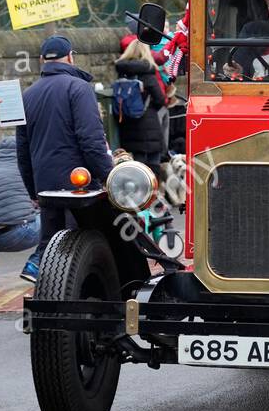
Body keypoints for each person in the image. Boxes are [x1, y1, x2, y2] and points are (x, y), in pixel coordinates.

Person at [16, 35, 115, 253]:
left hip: (46, 186)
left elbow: (22, 150)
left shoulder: (28, 95)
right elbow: (91, 139)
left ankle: (45, 285)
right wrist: (109, 176)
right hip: (79, 188)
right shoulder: (79, 88)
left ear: (42, 60)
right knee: (82, 251)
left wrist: (34, 191)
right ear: (71, 57)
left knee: (50, 249)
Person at [0, 136, 42, 287]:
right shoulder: (27, 165)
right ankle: (34, 265)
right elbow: (37, 195)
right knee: (53, 222)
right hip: (17, 235)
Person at [113, 38, 167, 175]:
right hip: (148, 122)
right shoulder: (147, 73)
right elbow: (160, 99)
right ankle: (153, 193)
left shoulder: (122, 71)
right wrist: (150, 108)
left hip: (126, 124)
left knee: (135, 165)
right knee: (153, 164)